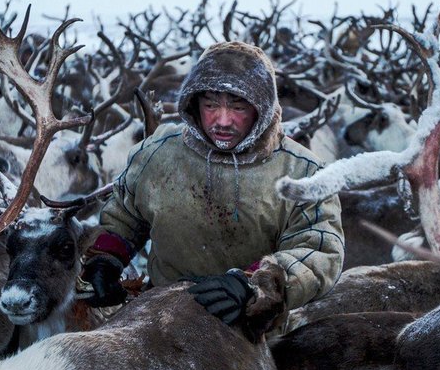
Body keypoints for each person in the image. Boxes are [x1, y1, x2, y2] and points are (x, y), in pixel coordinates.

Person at [82, 41, 343, 332]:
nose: (222, 120)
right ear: (194, 104)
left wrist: (252, 285)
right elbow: (124, 217)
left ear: (263, 108)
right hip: (158, 320)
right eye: (210, 105)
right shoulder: (158, 152)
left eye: (238, 106)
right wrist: (105, 259)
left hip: (254, 332)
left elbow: (318, 251)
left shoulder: (303, 172)